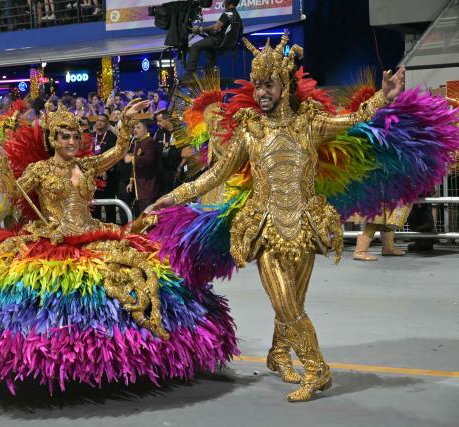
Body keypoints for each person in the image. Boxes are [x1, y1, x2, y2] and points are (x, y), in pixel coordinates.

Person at [0, 100, 237, 393]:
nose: (72, 141)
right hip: (53, 239)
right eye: (64, 136)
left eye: (76, 136)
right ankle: (50, 357)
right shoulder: (40, 170)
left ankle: (146, 333)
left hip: (93, 234)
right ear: (52, 139)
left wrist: (125, 123)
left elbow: (118, 152)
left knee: (141, 266)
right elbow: (14, 192)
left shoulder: (87, 165)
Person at [150, 35, 406, 401]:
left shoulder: (309, 124)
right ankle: (317, 370)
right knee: (285, 303)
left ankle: (278, 353)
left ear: (285, 85)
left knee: (293, 306)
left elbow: (355, 118)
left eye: (268, 85)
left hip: (304, 226)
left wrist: (384, 97)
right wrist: (169, 198)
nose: (260, 93)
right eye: (257, 86)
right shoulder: (250, 130)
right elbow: (215, 174)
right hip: (265, 228)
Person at [184, 0, 242, 77]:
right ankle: (211, 76)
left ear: (229, 2)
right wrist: (201, 31)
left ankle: (189, 75)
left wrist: (201, 29)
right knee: (209, 50)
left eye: (225, 1)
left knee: (195, 47)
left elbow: (215, 27)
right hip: (226, 42)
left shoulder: (227, 13)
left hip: (218, 40)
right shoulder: (237, 16)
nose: (224, 3)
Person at [124, 120, 163, 213]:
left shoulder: (149, 142)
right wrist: (131, 181)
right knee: (142, 215)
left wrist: (132, 158)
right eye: (134, 128)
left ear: (146, 129)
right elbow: (135, 166)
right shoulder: (139, 142)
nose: (135, 130)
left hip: (149, 186)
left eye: (138, 127)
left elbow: (149, 159)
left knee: (149, 215)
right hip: (141, 186)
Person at [91, 113, 119, 223]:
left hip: (108, 176)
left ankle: (112, 228)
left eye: (102, 121)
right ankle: (96, 228)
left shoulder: (112, 137)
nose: (99, 122)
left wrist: (104, 169)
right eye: (98, 120)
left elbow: (113, 157)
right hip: (93, 177)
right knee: (95, 205)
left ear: (107, 124)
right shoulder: (91, 136)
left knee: (109, 205)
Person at [154, 110, 181, 193]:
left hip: (175, 170)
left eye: (159, 121)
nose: (157, 123)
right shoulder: (159, 133)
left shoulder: (179, 132)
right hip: (161, 171)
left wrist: (180, 167)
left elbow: (186, 151)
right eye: (157, 121)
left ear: (167, 119)